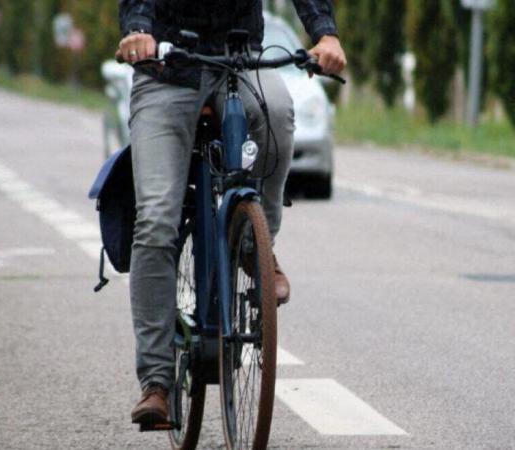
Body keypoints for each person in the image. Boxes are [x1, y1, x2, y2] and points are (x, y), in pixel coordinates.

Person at [117, 0, 347, 424]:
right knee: (154, 221)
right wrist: (137, 30)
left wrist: (325, 33)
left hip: (240, 63)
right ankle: (157, 383)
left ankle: (255, 246)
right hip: (166, 69)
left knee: (278, 111)